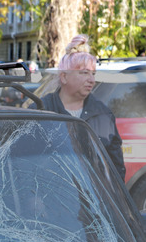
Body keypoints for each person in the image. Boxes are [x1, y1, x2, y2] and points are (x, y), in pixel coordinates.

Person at [39, 34, 126, 180]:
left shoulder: (103, 114)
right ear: (64, 77)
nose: (91, 80)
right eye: (84, 73)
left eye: (93, 74)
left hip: (93, 200)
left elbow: (116, 167)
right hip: (52, 197)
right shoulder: (41, 110)